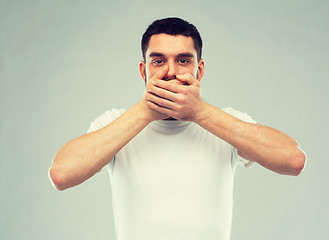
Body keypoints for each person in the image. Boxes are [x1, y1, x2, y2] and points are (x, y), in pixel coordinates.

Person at [49, 17, 306, 240]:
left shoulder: (225, 121)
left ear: (200, 69)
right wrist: (145, 112)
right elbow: (61, 174)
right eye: (158, 61)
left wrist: (201, 113)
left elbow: (293, 160)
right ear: (143, 71)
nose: (170, 72)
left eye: (183, 61)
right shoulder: (115, 122)